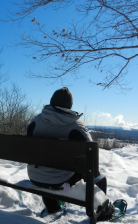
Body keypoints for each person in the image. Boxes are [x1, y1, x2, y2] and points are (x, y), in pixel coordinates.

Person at [26, 87, 114, 221]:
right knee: (96, 174)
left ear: (51, 101)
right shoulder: (76, 126)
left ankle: (53, 206)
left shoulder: (35, 121)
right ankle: (103, 211)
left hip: (35, 176)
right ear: (70, 105)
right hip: (61, 180)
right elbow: (91, 156)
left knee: (47, 166)